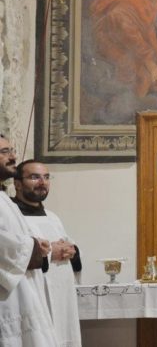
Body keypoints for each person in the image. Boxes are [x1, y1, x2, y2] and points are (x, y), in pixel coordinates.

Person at [13, 160, 82, 347]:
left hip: (62, 300)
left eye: (46, 177)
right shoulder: (11, 217)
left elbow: (69, 249)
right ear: (17, 183)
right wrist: (49, 253)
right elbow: (11, 255)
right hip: (33, 298)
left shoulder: (52, 217)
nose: (42, 182)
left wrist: (72, 252)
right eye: (35, 177)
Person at [0, 136, 58, 346]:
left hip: (23, 292)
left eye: (12, 150)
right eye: (4, 152)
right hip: (7, 298)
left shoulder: (4, 198)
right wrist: (32, 246)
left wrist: (33, 242)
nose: (12, 156)